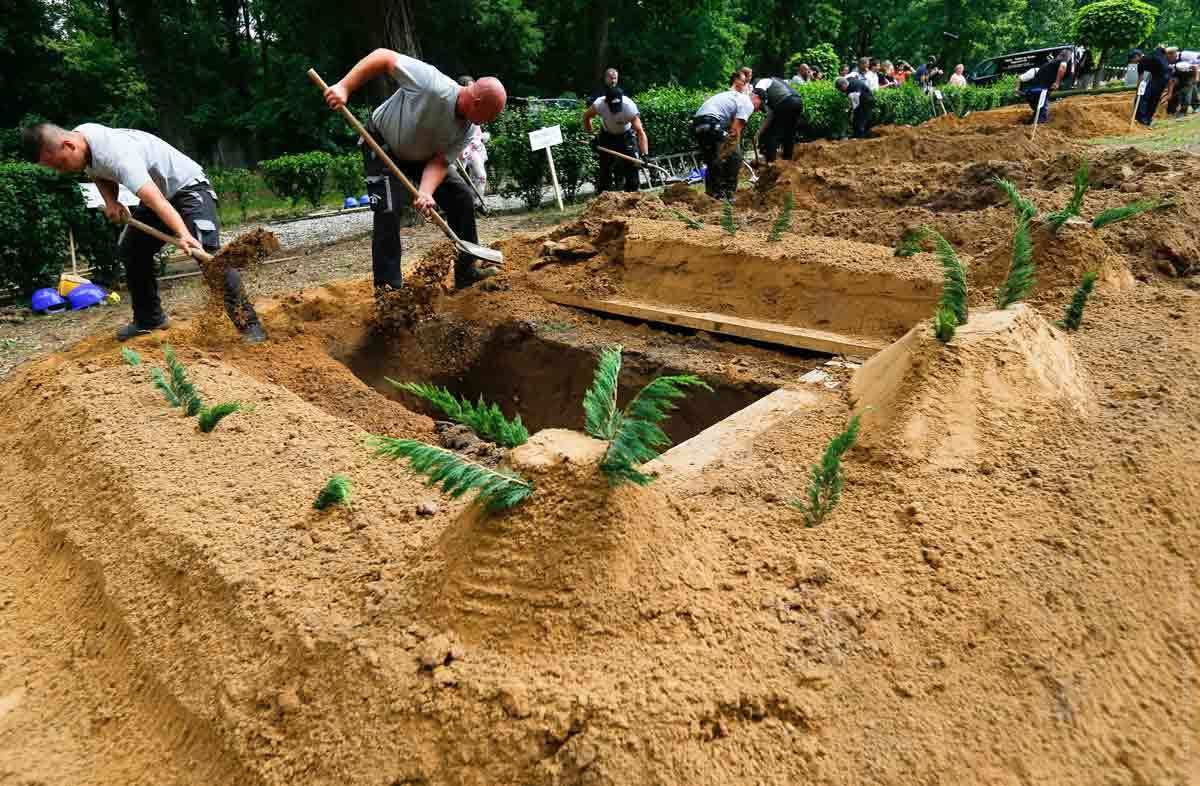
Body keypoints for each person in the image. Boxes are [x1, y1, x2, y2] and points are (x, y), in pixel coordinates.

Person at [20, 123, 267, 343]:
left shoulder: (117, 154)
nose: (62, 171)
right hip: (159, 197)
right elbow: (98, 174)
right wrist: (111, 201)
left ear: (68, 145)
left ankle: (249, 325)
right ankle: (149, 319)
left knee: (206, 254)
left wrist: (183, 233)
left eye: (61, 164)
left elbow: (156, 200)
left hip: (188, 190)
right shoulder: (84, 141)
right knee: (131, 251)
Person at [322, 49, 505, 290]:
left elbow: (440, 161)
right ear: (477, 102)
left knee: (461, 197)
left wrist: (426, 192)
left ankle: (466, 271)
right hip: (382, 144)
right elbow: (383, 57)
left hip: (423, 155)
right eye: (489, 115)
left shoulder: (469, 128)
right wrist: (345, 87)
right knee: (388, 208)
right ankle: (388, 290)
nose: (487, 122)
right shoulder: (431, 84)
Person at [692, 74, 761, 199]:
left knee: (713, 159)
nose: (757, 111)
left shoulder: (735, 97)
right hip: (712, 122)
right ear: (756, 98)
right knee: (734, 157)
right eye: (759, 107)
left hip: (698, 123)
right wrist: (737, 150)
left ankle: (713, 195)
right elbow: (734, 132)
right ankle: (728, 194)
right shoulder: (748, 103)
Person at [584, 87, 648, 193]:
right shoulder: (599, 104)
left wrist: (645, 154)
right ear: (606, 101)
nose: (615, 110)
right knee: (605, 168)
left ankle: (632, 196)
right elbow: (586, 117)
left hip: (626, 136)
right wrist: (592, 136)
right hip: (607, 136)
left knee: (632, 166)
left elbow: (640, 132)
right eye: (612, 106)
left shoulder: (629, 107)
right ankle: (603, 198)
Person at [752, 77, 804, 162]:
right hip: (798, 102)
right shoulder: (776, 82)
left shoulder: (762, 82)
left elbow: (760, 92)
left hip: (785, 102)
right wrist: (758, 134)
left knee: (771, 133)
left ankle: (771, 161)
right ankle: (787, 158)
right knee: (789, 132)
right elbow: (770, 116)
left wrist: (755, 105)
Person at [456, 76, 490, 197]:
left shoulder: (476, 103)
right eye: (469, 86)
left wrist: (481, 137)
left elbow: (477, 126)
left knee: (481, 176)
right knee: (455, 178)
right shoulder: (457, 104)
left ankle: (476, 203)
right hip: (459, 148)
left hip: (474, 147)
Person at [1017, 49, 1069, 124]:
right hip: (1040, 90)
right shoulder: (1062, 62)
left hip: (1030, 92)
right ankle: (1039, 127)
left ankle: (1032, 122)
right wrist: (1057, 82)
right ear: (1066, 57)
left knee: (1038, 110)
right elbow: (1062, 68)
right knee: (1042, 110)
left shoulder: (1046, 65)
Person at [1134, 47, 1173, 126]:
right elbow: (1140, 79)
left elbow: (1140, 79)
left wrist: (1138, 93)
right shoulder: (1153, 56)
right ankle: (1147, 119)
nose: (1132, 62)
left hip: (1160, 77)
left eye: (1132, 59)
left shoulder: (1143, 61)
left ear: (1137, 56)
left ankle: (1141, 119)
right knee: (1154, 99)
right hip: (1163, 78)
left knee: (1144, 97)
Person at [1167, 49, 1199, 118]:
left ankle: (1183, 111)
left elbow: (1195, 67)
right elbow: (1171, 81)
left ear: (1171, 55)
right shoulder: (1170, 66)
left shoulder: (1181, 63)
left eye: (1168, 58)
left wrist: (1196, 78)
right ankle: (1171, 110)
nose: (1168, 60)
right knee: (1178, 92)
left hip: (1191, 74)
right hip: (1182, 75)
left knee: (1186, 92)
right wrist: (1170, 93)